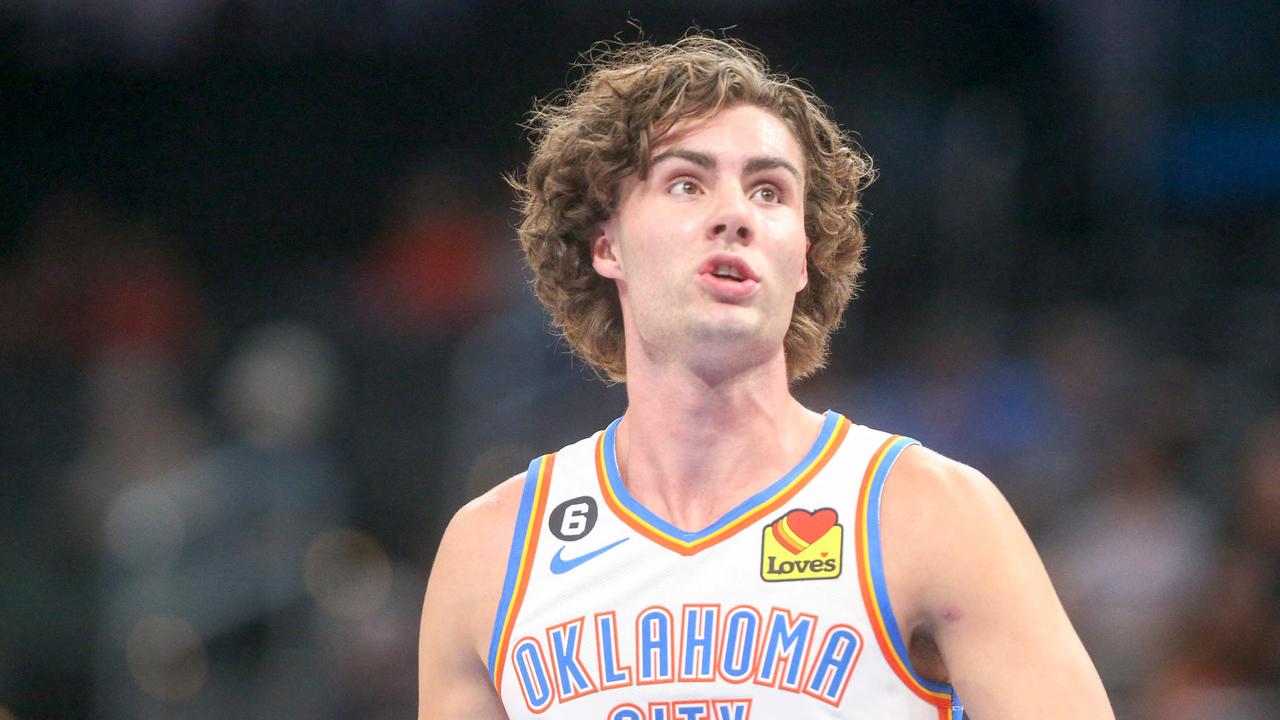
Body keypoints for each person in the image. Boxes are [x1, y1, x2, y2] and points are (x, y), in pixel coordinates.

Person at [419, 36, 1114, 719]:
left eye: (769, 191)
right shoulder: (494, 550)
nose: (735, 215)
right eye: (686, 183)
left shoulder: (930, 513)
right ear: (606, 244)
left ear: (804, 256)